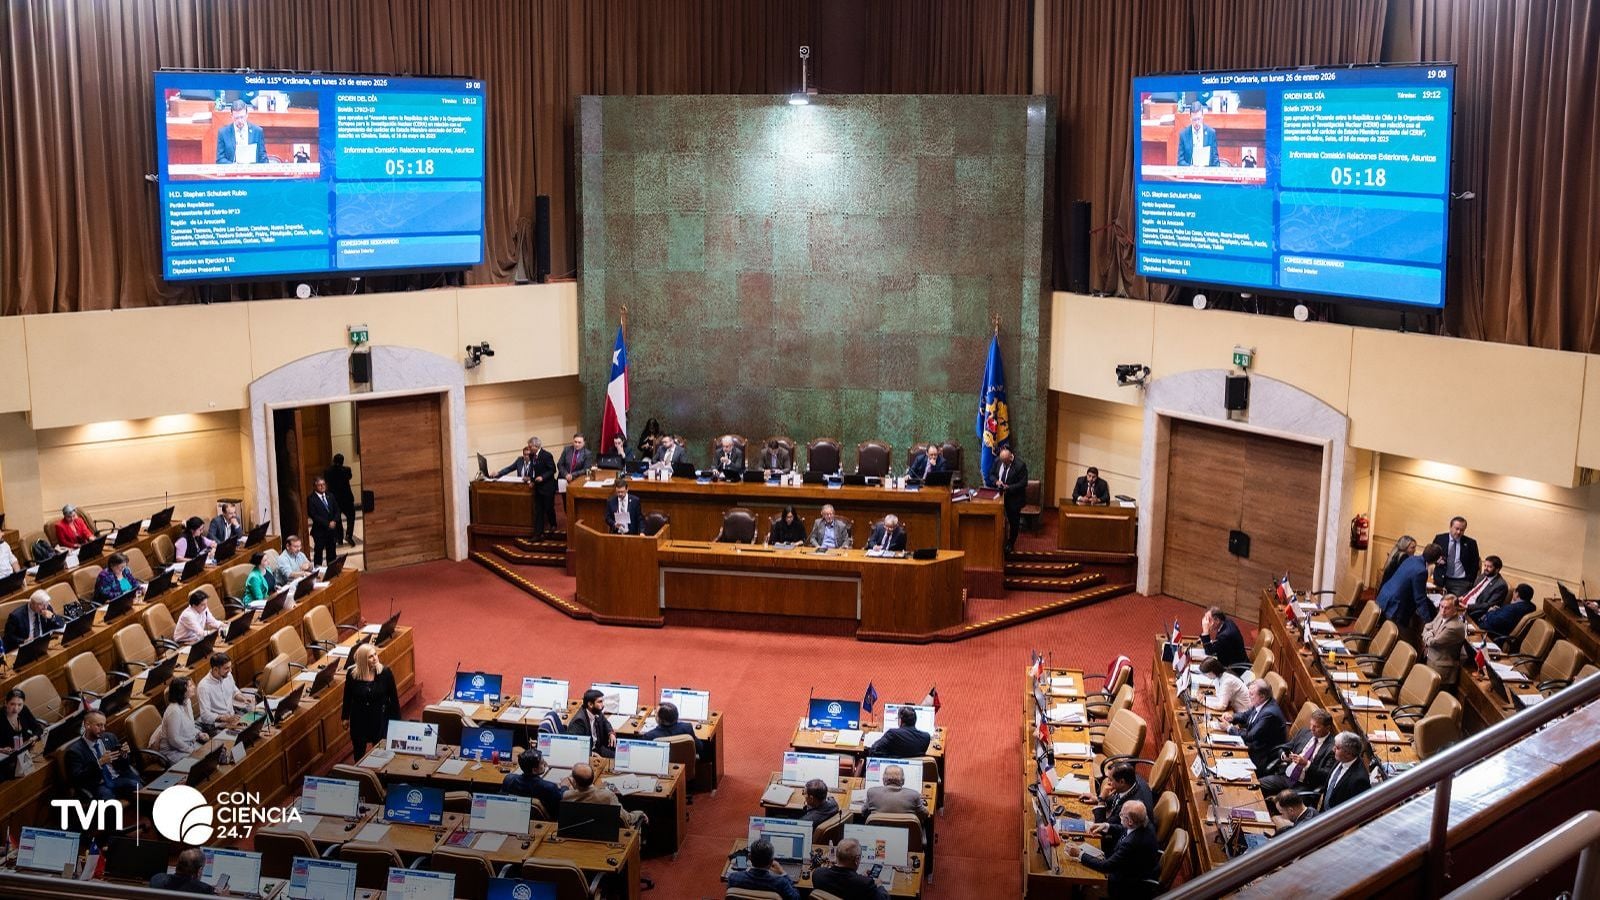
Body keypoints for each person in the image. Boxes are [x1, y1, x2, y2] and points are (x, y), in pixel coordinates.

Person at [1066, 799, 1160, 897]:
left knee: (1079, 874)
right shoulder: (1144, 822)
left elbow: (1106, 866)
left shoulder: (1131, 843)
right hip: (1130, 865)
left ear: (1130, 821)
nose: (1119, 815)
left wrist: (1079, 854)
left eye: (1122, 815)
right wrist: (1106, 826)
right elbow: (1125, 829)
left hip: (1125, 884)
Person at [1257, 708, 1337, 798]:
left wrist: (1307, 764)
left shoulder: (1333, 747)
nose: (1312, 729)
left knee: (1282, 799)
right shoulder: (1304, 732)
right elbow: (1284, 747)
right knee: (1256, 785)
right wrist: (1284, 755)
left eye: (1316, 727)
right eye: (1311, 724)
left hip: (1304, 785)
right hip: (1286, 776)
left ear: (1327, 728)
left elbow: (1326, 775)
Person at [1376, 543, 1444, 646]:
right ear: (1435, 560)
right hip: (1394, 606)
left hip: (1385, 597)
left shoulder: (1411, 559)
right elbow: (1420, 599)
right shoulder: (1421, 571)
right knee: (1400, 640)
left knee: (1383, 632)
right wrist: (1429, 622)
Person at [65, 711, 141, 800]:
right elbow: (78, 779)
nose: (103, 729)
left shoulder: (110, 737)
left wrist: (124, 755)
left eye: (104, 725)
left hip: (118, 778)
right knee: (108, 800)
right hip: (100, 785)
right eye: (99, 725)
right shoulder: (75, 751)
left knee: (138, 787)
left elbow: (124, 766)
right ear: (87, 725)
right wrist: (100, 763)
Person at [341, 642, 399, 759]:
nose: (375, 658)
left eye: (375, 654)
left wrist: (397, 722)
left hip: (379, 719)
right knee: (359, 754)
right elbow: (347, 696)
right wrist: (345, 717)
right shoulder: (352, 674)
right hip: (359, 720)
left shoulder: (385, 673)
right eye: (370, 657)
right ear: (363, 660)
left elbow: (393, 698)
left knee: (381, 755)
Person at [1228, 679, 1287, 773]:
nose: (1249, 696)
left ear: (1262, 696)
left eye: (1251, 694)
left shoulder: (1269, 714)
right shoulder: (1262, 702)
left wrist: (1229, 728)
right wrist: (1232, 717)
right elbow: (1246, 715)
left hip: (1261, 756)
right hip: (1252, 747)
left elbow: (1250, 736)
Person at [562, 762, 645, 827]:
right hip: (606, 836)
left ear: (574, 782)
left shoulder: (566, 796)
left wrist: (565, 786)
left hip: (578, 835)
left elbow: (568, 792)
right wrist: (640, 813)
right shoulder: (608, 796)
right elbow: (627, 820)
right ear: (593, 777)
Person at [811, 837, 887, 900]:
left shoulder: (818, 874)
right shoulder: (865, 884)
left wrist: (859, 876)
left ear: (837, 856)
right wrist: (879, 885)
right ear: (857, 860)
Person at [152, 679, 208, 763]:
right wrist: (191, 750)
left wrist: (199, 733)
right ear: (182, 691)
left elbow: (188, 726)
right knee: (201, 762)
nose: (194, 687)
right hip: (173, 752)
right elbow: (174, 740)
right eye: (190, 686)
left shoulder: (187, 701)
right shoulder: (174, 711)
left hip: (186, 745)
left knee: (209, 754)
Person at [986, 446, 1029, 553]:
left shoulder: (1020, 465)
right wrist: (996, 481)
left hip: (1014, 498)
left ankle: (1011, 542)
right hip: (999, 496)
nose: (1003, 464)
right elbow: (991, 474)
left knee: (1014, 522)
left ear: (1011, 457)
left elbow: (1023, 483)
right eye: (1002, 462)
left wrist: (1009, 487)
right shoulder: (998, 461)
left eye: (1005, 462)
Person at [726, 838, 800, 900]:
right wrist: (783, 873)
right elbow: (796, 898)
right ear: (771, 861)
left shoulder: (733, 878)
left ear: (749, 857)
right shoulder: (781, 883)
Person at [1422, 592, 1469, 688]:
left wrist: (1429, 633)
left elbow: (1433, 642)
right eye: (1441, 606)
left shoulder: (1454, 627)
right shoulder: (1441, 615)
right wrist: (1431, 633)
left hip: (1441, 670)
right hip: (1430, 659)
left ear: (1455, 609)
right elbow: (1427, 626)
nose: (1443, 611)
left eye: (1447, 608)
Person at [1085, 762, 1154, 827]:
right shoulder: (1131, 780)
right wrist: (1097, 798)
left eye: (1110, 780)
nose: (1108, 783)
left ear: (1121, 782)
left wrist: (1101, 800)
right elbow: (1118, 798)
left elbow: (1100, 827)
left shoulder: (1129, 807)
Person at [503, 748, 564, 819]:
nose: (545, 764)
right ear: (534, 770)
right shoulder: (550, 787)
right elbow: (560, 807)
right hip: (544, 822)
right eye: (542, 762)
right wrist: (564, 787)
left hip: (515, 817)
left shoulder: (509, 779)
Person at [197, 652, 249, 728]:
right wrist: (224, 718)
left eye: (230, 667)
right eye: (226, 668)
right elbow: (205, 715)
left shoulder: (228, 675)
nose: (230, 670)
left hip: (233, 718)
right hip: (218, 725)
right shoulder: (203, 686)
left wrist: (243, 699)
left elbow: (234, 692)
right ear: (215, 669)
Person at [1432, 516, 1480, 597]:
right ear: (1450, 527)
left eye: (1462, 530)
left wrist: (1470, 581)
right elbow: (1432, 556)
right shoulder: (1440, 539)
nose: (1458, 532)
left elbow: (1475, 564)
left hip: (1461, 583)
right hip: (1441, 579)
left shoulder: (1471, 543)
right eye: (1456, 529)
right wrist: (1437, 561)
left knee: (1455, 603)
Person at [1322, 732, 1371, 809]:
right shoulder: (1340, 759)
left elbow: (1356, 809)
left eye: (1337, 748)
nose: (1333, 749)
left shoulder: (1360, 780)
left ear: (1348, 753)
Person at [862, 764, 927, 818]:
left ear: (883, 780)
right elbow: (925, 815)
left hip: (878, 829)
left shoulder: (871, 793)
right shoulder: (914, 795)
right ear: (903, 781)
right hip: (906, 830)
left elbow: (864, 813)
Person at [567, 688, 616, 758]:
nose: (603, 705)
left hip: (598, 747)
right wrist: (591, 754)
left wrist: (611, 733)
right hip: (588, 753)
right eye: (600, 702)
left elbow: (605, 722)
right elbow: (575, 746)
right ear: (590, 704)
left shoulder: (596, 711)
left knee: (617, 757)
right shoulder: (579, 722)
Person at [1461, 555, 1509, 623]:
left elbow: (1489, 605)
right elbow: (1473, 590)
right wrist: (1462, 597)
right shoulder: (1483, 575)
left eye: (1489, 567)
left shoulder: (1501, 585)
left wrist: (1468, 606)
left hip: (1473, 611)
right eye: (1485, 565)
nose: (1486, 568)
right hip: (1462, 604)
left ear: (1497, 570)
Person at [216, 100, 266, 164]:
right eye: (236, 118)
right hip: (232, 169)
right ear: (231, 116)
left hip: (252, 169)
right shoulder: (223, 133)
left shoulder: (257, 131)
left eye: (242, 117)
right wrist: (233, 166)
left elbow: (263, 157)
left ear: (247, 115)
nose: (240, 121)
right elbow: (220, 159)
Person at [528, 437, 559, 537]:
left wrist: (542, 477)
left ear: (536, 446)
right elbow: (533, 470)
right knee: (539, 510)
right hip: (538, 487)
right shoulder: (532, 456)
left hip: (548, 487)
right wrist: (532, 480)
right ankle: (538, 534)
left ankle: (553, 524)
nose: (529, 449)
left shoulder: (546, 455)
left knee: (549, 507)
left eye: (530, 447)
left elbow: (552, 470)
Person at [323, 454, 358, 545]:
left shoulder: (327, 471)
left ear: (333, 460)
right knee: (351, 517)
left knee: (337, 519)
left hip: (334, 499)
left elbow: (326, 480)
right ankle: (349, 535)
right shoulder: (347, 470)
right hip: (347, 498)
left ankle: (339, 537)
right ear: (342, 461)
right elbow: (349, 477)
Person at [151, 847, 218, 893]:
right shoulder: (205, 890)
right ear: (199, 870)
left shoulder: (157, 879)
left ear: (177, 864)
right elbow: (196, 886)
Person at [307, 477, 340, 567]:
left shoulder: (330, 495)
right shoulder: (311, 499)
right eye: (319, 485)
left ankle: (332, 570)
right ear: (315, 486)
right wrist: (327, 523)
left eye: (323, 484)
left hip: (331, 531)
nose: (322, 487)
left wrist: (334, 521)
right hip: (319, 531)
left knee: (332, 553)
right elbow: (313, 515)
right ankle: (318, 571)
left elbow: (337, 510)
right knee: (318, 553)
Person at [1176, 102, 1219, 167]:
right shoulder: (1183, 135)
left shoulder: (1211, 133)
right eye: (1194, 120)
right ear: (1190, 117)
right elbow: (1180, 161)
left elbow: (1215, 160)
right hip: (1190, 171)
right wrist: (1190, 167)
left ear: (1202, 116)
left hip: (1206, 171)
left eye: (1199, 119)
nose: (1197, 123)